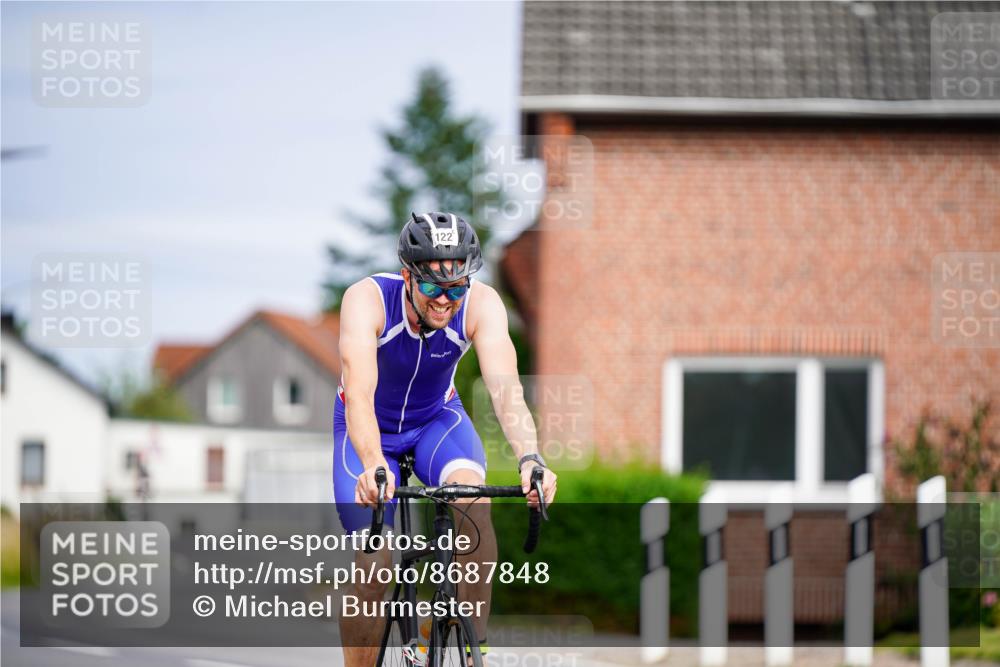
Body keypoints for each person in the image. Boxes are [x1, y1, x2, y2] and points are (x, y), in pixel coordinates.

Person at [335, 212, 557, 667]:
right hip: (369, 430)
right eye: (434, 287)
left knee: (474, 505)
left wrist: (530, 458)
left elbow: (507, 390)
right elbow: (359, 394)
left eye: (457, 287)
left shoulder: (482, 304)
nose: (445, 300)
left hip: (438, 419)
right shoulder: (367, 300)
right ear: (406, 276)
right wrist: (374, 462)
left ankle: (475, 647)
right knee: (376, 565)